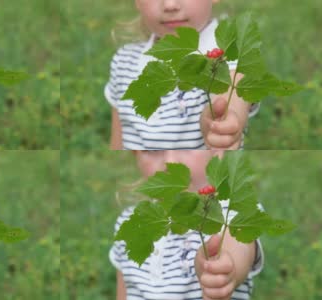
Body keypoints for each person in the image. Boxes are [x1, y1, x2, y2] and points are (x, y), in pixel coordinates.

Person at [106, 0, 259, 150]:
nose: (170, 5)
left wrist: (223, 121)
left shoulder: (229, 55)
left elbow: (231, 94)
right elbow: (118, 143)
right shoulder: (124, 61)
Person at [110, 150, 264, 299]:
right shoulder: (128, 222)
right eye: (153, 149)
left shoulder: (233, 211)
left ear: (216, 150)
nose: (170, 162)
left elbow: (239, 246)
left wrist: (223, 268)